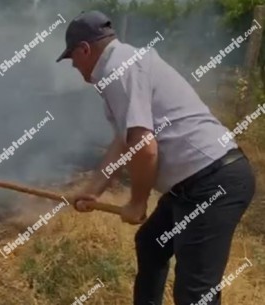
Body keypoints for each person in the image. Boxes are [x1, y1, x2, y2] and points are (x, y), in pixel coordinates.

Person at [57, 10, 256, 305]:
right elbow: (125, 141)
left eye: (73, 59)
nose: (75, 67)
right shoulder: (125, 64)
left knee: (195, 292)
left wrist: (137, 202)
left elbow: (144, 148)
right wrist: (93, 189)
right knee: (151, 244)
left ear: (85, 49)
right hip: (194, 184)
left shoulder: (119, 71)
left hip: (213, 182)